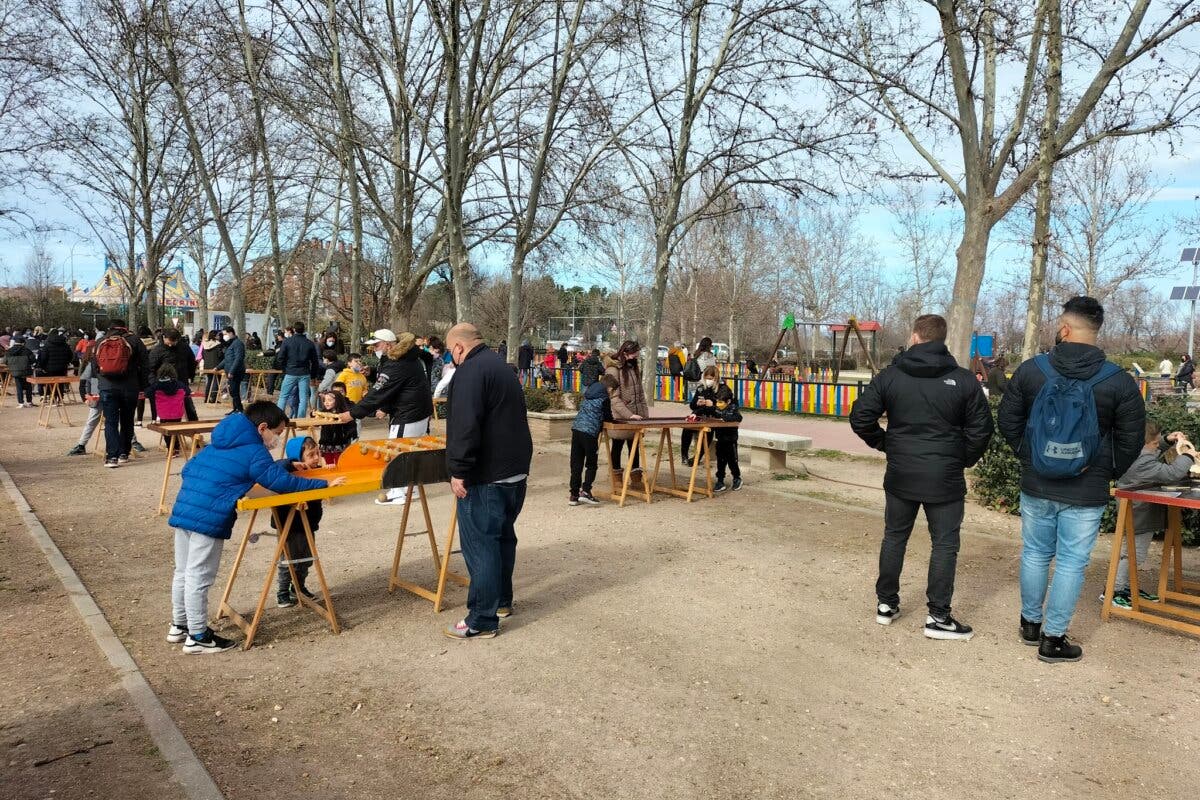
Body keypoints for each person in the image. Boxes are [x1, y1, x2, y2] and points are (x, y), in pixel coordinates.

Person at [997, 296, 1145, 663]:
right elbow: (1131, 439)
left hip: (1037, 484)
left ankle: (1030, 624)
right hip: (1086, 490)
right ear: (1096, 330)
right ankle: (1054, 639)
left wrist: (1030, 458)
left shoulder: (1032, 371)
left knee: (1034, 552)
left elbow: (1008, 422)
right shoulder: (1119, 381)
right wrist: (1106, 472)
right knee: (1071, 562)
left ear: (1065, 329)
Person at [849, 313, 994, 642]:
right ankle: (938, 616)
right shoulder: (964, 379)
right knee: (944, 544)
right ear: (942, 340)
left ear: (915, 336)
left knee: (894, 536)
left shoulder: (890, 376)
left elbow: (860, 417)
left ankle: (886, 605)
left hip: (902, 473)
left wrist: (887, 444)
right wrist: (962, 458)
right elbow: (982, 429)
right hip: (944, 476)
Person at [167, 402, 343, 653]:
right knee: (199, 576)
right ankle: (197, 635)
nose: (277, 439)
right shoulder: (253, 450)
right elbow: (280, 482)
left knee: (183, 572)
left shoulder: (221, 440)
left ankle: (179, 625)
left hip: (184, 508)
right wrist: (323, 486)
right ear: (263, 428)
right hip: (209, 517)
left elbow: (190, 469)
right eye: (278, 433)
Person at [442, 323, 532, 640]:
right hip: (514, 471)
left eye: (450, 352)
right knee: (502, 539)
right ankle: (501, 602)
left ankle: (481, 617)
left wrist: (458, 470)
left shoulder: (469, 372)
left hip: (487, 475)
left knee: (482, 545)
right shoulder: (501, 367)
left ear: (458, 348)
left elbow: (465, 426)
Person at [335, 331, 434, 505]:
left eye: (377, 345)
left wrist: (352, 413)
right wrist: (373, 373)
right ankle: (412, 489)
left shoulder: (398, 364)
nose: (374, 349)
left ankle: (400, 492)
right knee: (410, 451)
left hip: (408, 414)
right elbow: (394, 383)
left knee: (397, 452)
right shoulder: (406, 357)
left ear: (388, 345)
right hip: (417, 411)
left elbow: (378, 393)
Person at [1112, 422, 1196, 609]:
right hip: (1137, 512)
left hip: (1139, 510)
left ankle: (1127, 587)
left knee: (1134, 553)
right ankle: (1115, 591)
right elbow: (1171, 474)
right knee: (1133, 554)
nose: (1159, 446)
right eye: (1156, 444)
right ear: (1145, 444)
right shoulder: (1142, 462)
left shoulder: (1133, 453)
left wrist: (1167, 440)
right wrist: (1188, 456)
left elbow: (1151, 453)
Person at [272, 435, 327, 607]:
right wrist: (291, 464)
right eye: (311, 455)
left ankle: (299, 588)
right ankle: (282, 592)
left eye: (317, 453)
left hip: (309, 523)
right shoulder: (287, 473)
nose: (316, 458)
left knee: (307, 558)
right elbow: (275, 467)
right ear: (298, 458)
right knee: (288, 560)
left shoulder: (316, 473)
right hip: (290, 525)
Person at [96, 320, 151, 468]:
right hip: (129, 387)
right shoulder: (134, 340)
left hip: (107, 387)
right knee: (127, 421)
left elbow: (95, 365)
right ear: (125, 328)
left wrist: (102, 381)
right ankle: (123, 453)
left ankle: (111, 457)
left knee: (110, 422)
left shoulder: (101, 341)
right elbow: (145, 364)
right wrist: (143, 386)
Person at [569, 373, 617, 506]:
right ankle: (586, 491)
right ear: (610, 388)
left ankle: (573, 494)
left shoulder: (589, 393)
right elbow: (608, 417)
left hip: (577, 429)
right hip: (590, 433)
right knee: (591, 463)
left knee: (576, 463)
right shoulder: (604, 398)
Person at [604, 341, 648, 473]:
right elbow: (614, 398)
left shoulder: (633, 367)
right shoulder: (613, 370)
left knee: (635, 446)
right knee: (618, 444)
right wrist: (629, 415)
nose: (636, 356)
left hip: (636, 415)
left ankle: (635, 475)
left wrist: (644, 414)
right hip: (621, 416)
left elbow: (640, 393)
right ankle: (616, 475)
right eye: (633, 354)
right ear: (624, 353)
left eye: (637, 354)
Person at [275, 321, 321, 417]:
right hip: (304, 373)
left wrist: (285, 369)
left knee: (283, 396)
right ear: (304, 330)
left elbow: (280, 358)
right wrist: (313, 376)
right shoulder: (310, 343)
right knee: (303, 398)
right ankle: (301, 420)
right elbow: (315, 362)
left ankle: (278, 418)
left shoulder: (287, 341)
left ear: (294, 330)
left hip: (290, 372)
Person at [683, 366, 719, 467]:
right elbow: (692, 405)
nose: (709, 381)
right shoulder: (701, 388)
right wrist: (697, 404)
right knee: (686, 428)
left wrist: (710, 404)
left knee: (708, 432)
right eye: (707, 378)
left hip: (712, 417)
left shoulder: (719, 389)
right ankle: (684, 456)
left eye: (711, 379)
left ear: (715, 379)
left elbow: (719, 406)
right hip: (699, 416)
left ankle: (697, 458)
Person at [711, 382, 743, 492]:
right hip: (720, 439)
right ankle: (720, 480)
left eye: (721, 402)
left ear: (728, 401)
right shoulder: (716, 409)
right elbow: (710, 413)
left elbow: (738, 418)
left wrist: (724, 418)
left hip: (731, 440)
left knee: (732, 460)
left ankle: (736, 478)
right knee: (720, 460)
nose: (718, 404)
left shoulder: (733, 408)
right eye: (717, 402)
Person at [152, 364, 188, 454]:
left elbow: (148, 393)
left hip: (163, 413)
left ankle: (170, 448)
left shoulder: (157, 385)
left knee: (166, 431)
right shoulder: (179, 384)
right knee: (176, 429)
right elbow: (187, 392)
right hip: (177, 412)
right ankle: (176, 447)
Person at [316, 390, 356, 464]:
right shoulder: (323, 412)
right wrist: (312, 414)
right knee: (329, 463)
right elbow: (316, 423)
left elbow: (351, 426)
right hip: (326, 442)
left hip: (339, 443)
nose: (326, 402)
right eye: (325, 400)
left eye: (329, 400)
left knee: (339, 462)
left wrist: (349, 436)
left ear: (337, 401)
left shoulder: (343, 413)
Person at [220, 326, 246, 414]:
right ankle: (236, 408)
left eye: (225, 334)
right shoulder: (230, 343)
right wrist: (218, 367)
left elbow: (238, 358)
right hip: (230, 371)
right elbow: (227, 358)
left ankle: (240, 409)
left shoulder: (238, 343)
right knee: (232, 391)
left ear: (231, 333)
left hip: (236, 372)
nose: (224, 336)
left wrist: (232, 371)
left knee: (234, 391)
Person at [5, 334, 33, 408]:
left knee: (19, 387)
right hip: (26, 371)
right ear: (23, 343)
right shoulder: (27, 350)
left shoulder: (9, 351)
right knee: (28, 387)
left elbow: (5, 361)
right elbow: (33, 360)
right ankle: (29, 402)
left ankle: (21, 403)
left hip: (15, 371)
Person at [201, 330, 224, 402]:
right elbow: (220, 355)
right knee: (216, 382)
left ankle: (207, 398)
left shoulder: (205, 344)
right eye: (217, 335)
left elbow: (203, 355)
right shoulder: (218, 345)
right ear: (215, 336)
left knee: (209, 382)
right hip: (216, 366)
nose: (219, 336)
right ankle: (213, 398)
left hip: (207, 366)